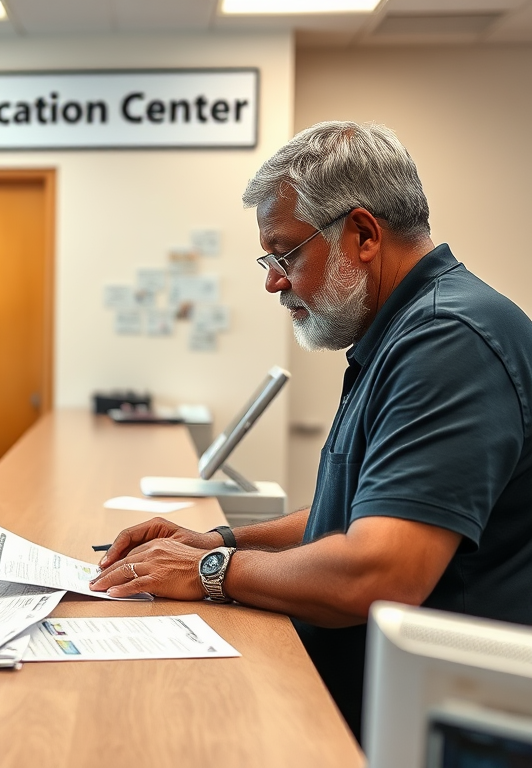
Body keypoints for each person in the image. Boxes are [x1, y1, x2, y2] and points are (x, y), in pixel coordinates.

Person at [90, 121, 532, 740]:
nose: (273, 281)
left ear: (363, 234)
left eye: (286, 254)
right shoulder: (402, 334)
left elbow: (380, 571)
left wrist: (214, 570)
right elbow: (357, 512)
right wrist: (219, 537)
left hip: (444, 729)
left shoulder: (448, 341)